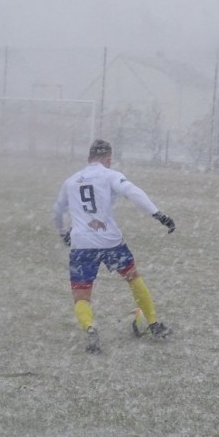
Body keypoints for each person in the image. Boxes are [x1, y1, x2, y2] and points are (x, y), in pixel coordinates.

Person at [52, 139, 176, 354]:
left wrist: (64, 233)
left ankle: (90, 330)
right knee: (133, 277)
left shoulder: (70, 182)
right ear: (108, 158)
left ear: (88, 158)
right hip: (110, 241)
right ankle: (154, 324)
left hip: (81, 244)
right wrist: (158, 215)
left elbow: (57, 210)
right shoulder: (110, 175)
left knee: (81, 295)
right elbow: (133, 192)